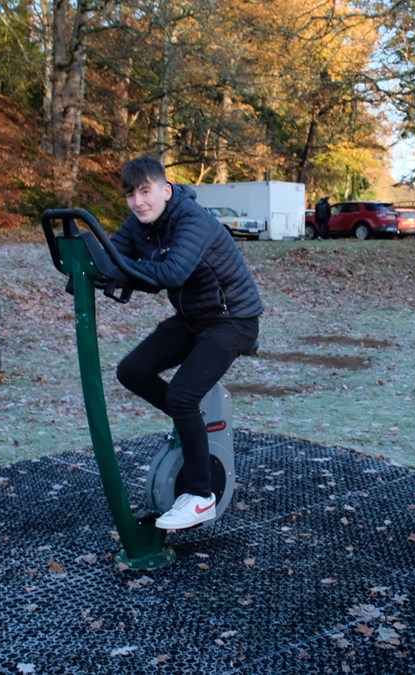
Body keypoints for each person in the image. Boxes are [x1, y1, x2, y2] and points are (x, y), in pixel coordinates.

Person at [110, 156, 262, 530]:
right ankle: (188, 422)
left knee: (181, 396)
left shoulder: (192, 220)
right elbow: (110, 254)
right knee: (132, 371)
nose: (138, 202)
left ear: (165, 189)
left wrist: (125, 273)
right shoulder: (139, 224)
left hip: (233, 320)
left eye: (145, 192)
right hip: (193, 319)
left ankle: (200, 497)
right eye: (131, 195)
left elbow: (171, 272)